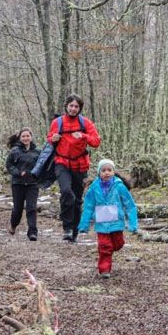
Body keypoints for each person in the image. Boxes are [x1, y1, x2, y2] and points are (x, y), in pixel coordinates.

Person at [47, 94, 100, 242]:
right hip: (62, 162)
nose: (73, 109)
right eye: (71, 106)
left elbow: (96, 141)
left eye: (76, 106)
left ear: (80, 108)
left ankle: (74, 230)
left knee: (77, 199)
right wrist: (53, 139)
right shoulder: (57, 122)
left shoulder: (86, 123)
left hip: (80, 165)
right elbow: (49, 138)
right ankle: (67, 228)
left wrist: (83, 136)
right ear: (66, 106)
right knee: (65, 192)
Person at [78, 159, 138, 278]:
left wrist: (133, 223)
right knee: (105, 246)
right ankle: (104, 270)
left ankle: (109, 250)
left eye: (109, 170)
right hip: (101, 224)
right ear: (99, 173)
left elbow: (129, 205)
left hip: (117, 222)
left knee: (118, 244)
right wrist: (84, 225)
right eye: (103, 170)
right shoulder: (94, 188)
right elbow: (88, 207)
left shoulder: (119, 186)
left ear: (113, 172)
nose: (106, 173)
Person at [6, 127, 40, 241]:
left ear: (31, 137)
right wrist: (19, 173)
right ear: (20, 138)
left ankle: (32, 232)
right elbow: (9, 166)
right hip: (18, 184)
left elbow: (41, 166)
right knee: (17, 209)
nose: (26, 138)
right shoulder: (14, 151)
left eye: (28, 136)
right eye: (23, 136)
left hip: (32, 184)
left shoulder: (37, 152)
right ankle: (13, 225)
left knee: (32, 208)